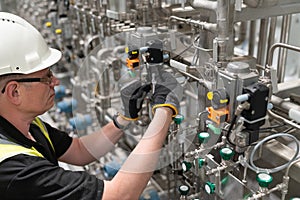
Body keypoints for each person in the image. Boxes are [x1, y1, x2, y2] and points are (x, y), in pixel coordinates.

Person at [0, 12, 182, 199]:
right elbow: (119, 196)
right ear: (15, 92)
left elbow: (79, 151)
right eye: (47, 76)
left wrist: (124, 118)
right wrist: (164, 112)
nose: (55, 81)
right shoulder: (14, 169)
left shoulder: (24, 124)